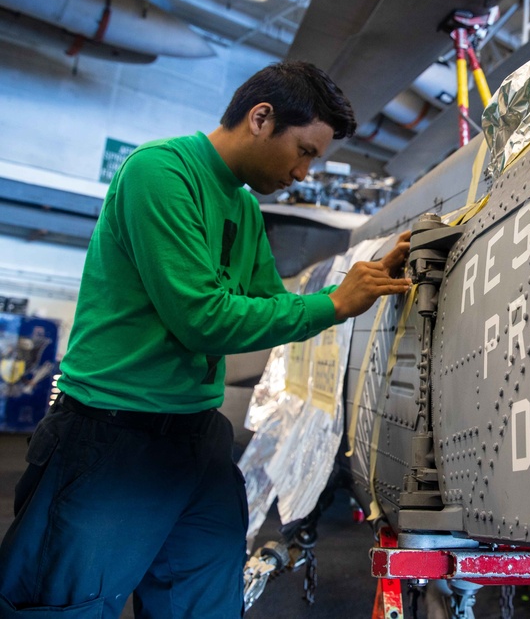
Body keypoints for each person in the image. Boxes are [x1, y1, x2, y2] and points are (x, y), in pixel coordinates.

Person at [0, 61, 411, 618]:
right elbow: (202, 318)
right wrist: (336, 303)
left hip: (196, 438)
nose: (306, 172)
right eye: (306, 150)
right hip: (111, 434)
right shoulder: (159, 172)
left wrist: (354, 285)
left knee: (203, 606)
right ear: (261, 118)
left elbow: (269, 302)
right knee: (69, 604)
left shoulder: (241, 205)